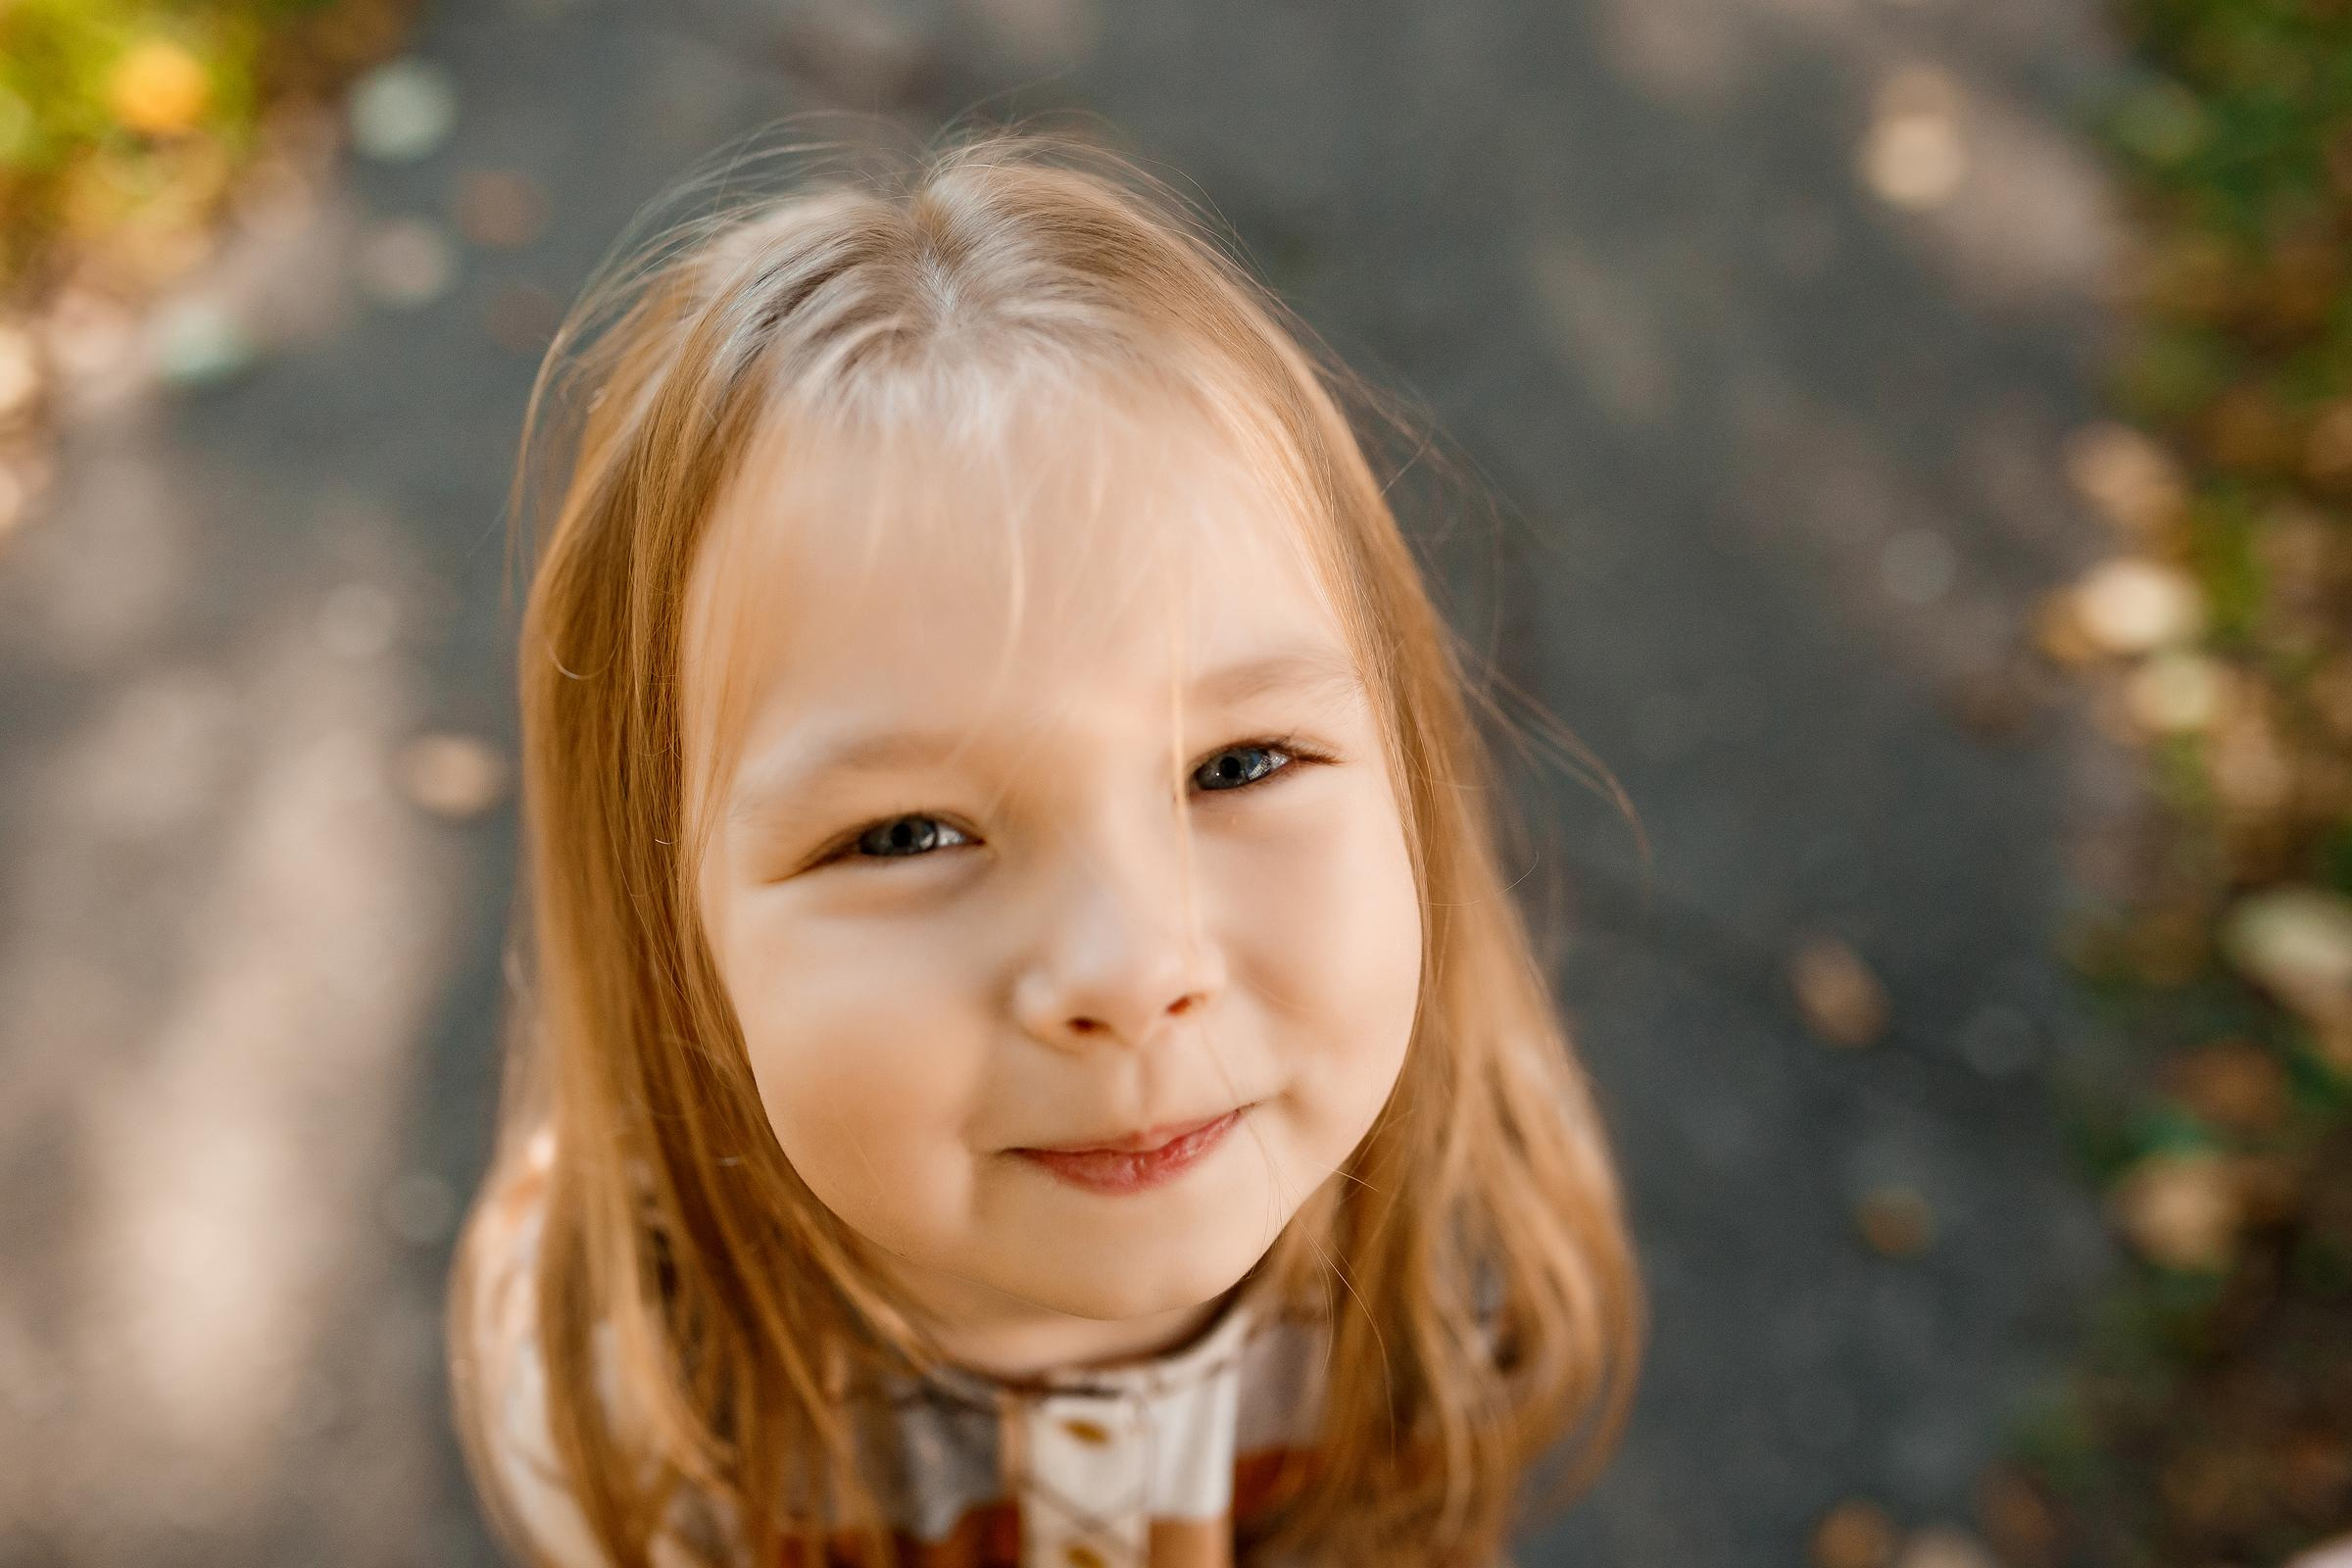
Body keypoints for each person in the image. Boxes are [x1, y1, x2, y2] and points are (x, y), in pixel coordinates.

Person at [446, 122, 1644, 1568]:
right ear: (667, 917)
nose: (1136, 971)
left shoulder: (1462, 1241)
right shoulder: (614, 1381)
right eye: (903, 833)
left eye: (1240, 764)